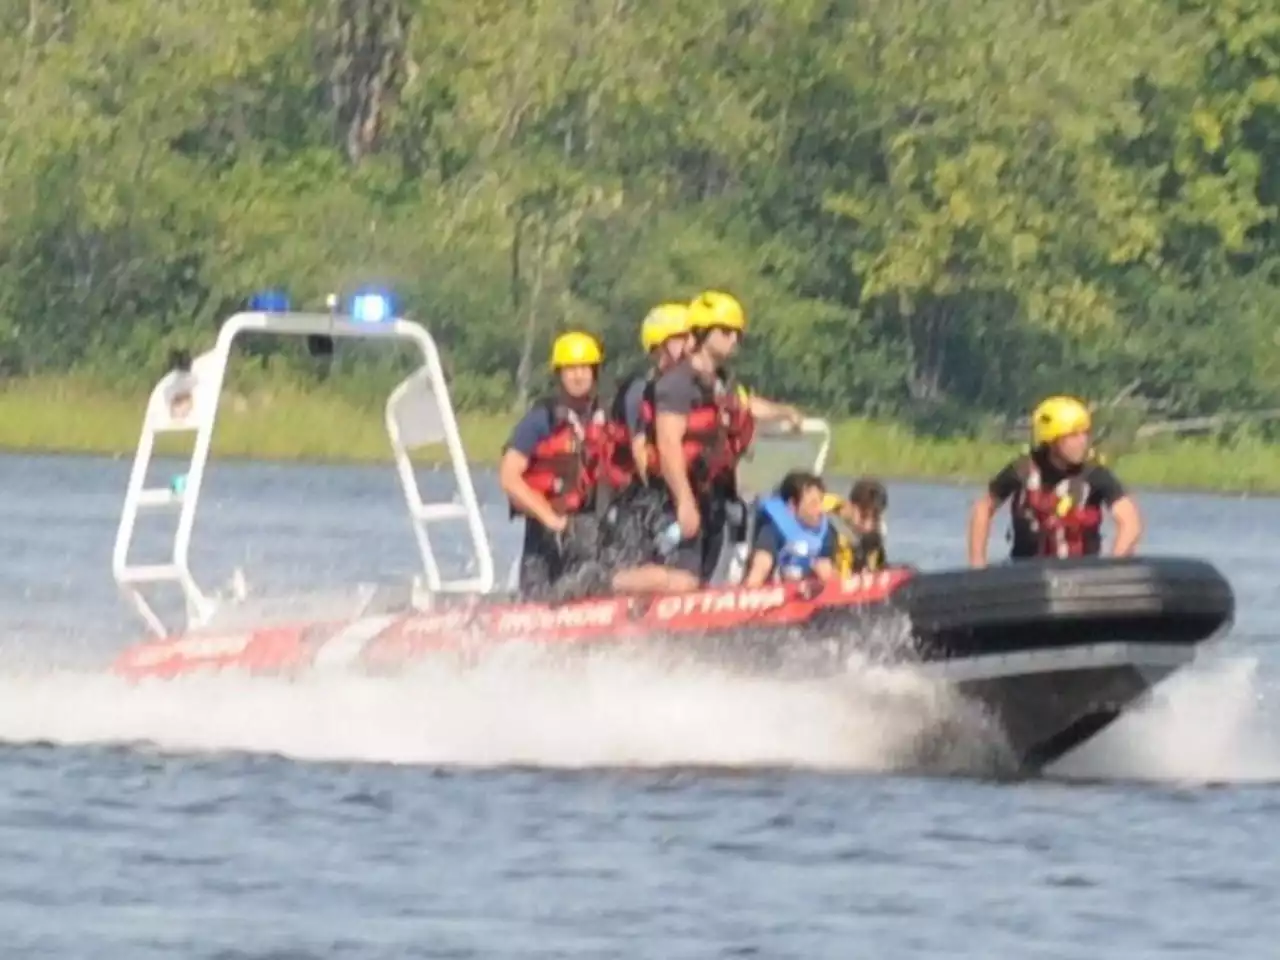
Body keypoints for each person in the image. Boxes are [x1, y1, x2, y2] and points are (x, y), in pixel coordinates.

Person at [611, 290, 755, 593]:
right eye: (726, 332)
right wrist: (684, 500)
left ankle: (671, 630)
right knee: (683, 582)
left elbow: (744, 411)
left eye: (737, 334)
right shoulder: (671, 386)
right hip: (662, 497)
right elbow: (664, 446)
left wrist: (790, 416)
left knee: (696, 582)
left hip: (703, 492)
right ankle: (602, 582)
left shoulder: (715, 384)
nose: (734, 339)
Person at [498, 331, 613, 599]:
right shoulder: (541, 419)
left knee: (591, 584)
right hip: (548, 530)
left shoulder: (606, 415)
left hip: (592, 528)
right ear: (558, 374)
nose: (578, 375)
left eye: (585, 367)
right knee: (537, 596)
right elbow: (509, 476)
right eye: (570, 368)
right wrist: (551, 519)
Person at [967, 395, 1143, 567]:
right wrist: (978, 564)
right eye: (1073, 435)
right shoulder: (1023, 470)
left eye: (1084, 433)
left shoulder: (1095, 475)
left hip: (1081, 574)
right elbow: (983, 508)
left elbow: (1130, 522)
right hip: (1025, 574)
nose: (1082, 441)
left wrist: (1110, 570)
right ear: (1052, 441)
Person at [742, 470, 839, 586]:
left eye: (820, 502)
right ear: (792, 505)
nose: (819, 510)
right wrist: (753, 585)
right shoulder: (773, 528)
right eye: (813, 504)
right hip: (775, 593)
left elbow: (826, 568)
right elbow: (762, 564)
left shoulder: (826, 533)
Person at [824, 478, 890, 575]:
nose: (868, 526)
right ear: (850, 505)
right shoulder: (823, 513)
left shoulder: (876, 534)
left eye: (874, 519)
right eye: (863, 517)